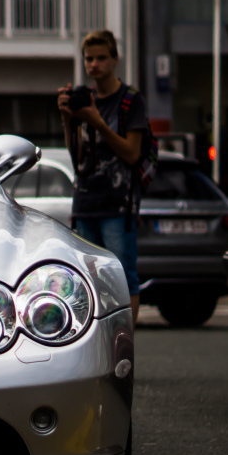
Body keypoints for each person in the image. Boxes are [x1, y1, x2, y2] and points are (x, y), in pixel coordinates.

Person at [57, 30, 146, 323]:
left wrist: (98, 123)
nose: (94, 64)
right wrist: (69, 121)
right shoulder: (85, 99)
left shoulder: (130, 100)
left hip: (118, 206)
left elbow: (132, 154)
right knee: (88, 283)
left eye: (101, 58)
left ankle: (124, 349)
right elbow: (78, 157)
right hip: (86, 203)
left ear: (115, 59)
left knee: (123, 281)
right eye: (89, 58)